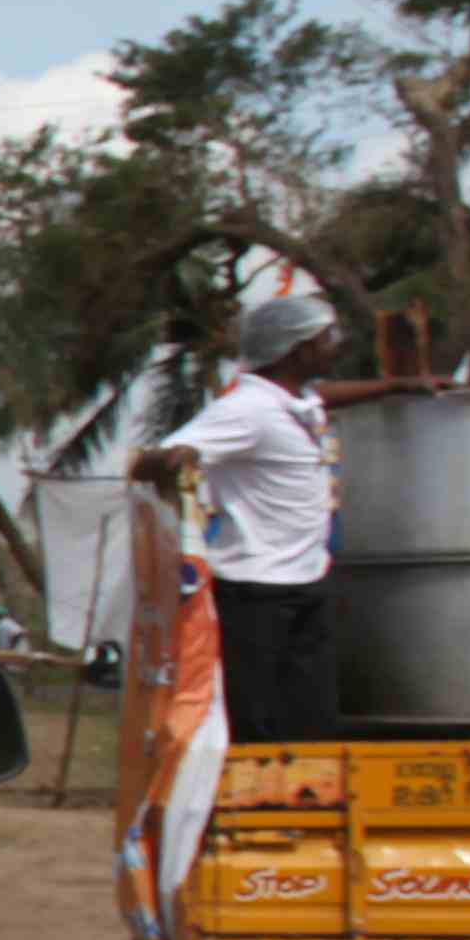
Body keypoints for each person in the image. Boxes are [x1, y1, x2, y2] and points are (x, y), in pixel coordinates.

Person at [132, 291, 346, 743]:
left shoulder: (297, 402)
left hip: (307, 580)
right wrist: (177, 457)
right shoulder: (247, 410)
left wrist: (398, 385)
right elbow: (157, 459)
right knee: (256, 722)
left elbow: (327, 397)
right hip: (256, 591)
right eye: (326, 338)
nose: (336, 346)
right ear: (297, 349)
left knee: (312, 720)